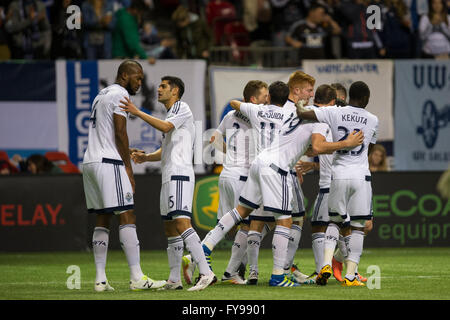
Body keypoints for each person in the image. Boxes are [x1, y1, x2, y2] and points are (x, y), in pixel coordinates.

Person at [196, 80, 364, 288]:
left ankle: (204, 247)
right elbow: (319, 146)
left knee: (241, 211)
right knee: (287, 222)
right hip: (278, 168)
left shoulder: (298, 112)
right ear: (330, 104)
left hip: (259, 163)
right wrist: (346, 144)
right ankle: (278, 276)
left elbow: (306, 146)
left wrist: (311, 153)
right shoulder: (319, 117)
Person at [120, 76, 216, 291]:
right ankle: (174, 280)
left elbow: (164, 127)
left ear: (175, 91)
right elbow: (166, 149)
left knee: (182, 224)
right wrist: (147, 158)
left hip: (180, 174)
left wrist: (136, 111)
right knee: (170, 228)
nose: (159, 89)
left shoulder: (182, 107)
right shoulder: (172, 113)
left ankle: (206, 272)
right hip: (168, 175)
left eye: (163, 86)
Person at [82, 60, 166, 292]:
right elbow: (120, 131)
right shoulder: (120, 96)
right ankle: (137, 277)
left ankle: (100, 280)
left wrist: (124, 151)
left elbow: (106, 132)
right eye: (137, 77)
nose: (140, 83)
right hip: (109, 163)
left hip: (91, 161)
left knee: (102, 217)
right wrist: (128, 168)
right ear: (124, 75)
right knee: (127, 213)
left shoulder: (101, 94)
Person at [298, 81, 378, 287]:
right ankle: (351, 276)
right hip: (361, 176)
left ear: (349, 96)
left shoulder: (334, 113)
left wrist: (299, 104)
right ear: (367, 98)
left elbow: (304, 115)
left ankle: (325, 263)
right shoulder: (373, 119)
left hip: (339, 174)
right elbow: (369, 149)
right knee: (359, 228)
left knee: (333, 222)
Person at [192, 80, 268, 285]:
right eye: (264, 95)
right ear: (253, 99)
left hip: (226, 174)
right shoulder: (257, 115)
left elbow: (213, 139)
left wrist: (231, 153)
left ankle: (211, 267)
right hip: (243, 176)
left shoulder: (229, 115)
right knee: (247, 225)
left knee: (226, 224)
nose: (267, 98)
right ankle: (219, 265)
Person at [112, 0, 156, 64]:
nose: (141, 15)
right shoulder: (126, 20)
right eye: (141, 12)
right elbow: (132, 43)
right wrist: (146, 57)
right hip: (122, 57)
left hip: (123, 55)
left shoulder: (124, 14)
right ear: (135, 10)